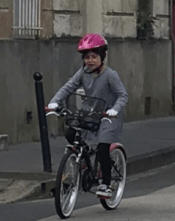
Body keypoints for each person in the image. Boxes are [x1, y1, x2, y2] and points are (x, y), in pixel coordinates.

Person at [47, 33, 128, 198]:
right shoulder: (83, 73)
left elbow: (123, 95)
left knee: (103, 147)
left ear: (102, 57)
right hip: (90, 113)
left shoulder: (110, 75)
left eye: (93, 57)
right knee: (71, 134)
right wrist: (54, 103)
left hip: (108, 116)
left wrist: (115, 109)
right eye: (87, 57)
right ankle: (79, 165)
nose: (89, 61)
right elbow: (68, 87)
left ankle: (105, 183)